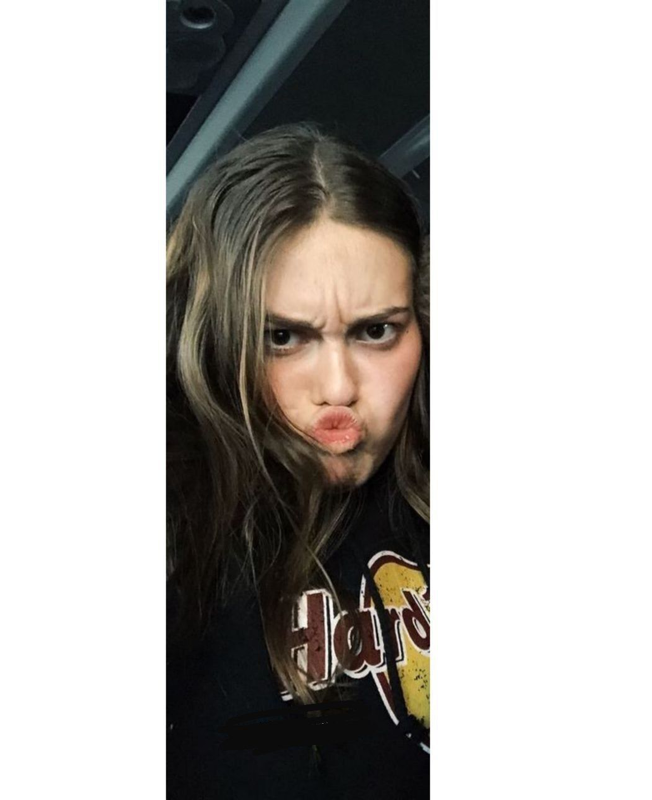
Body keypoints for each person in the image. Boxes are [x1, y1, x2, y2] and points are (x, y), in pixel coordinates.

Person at [166, 123, 429, 799]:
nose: (338, 387)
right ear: (216, 341)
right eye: (282, 337)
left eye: (377, 331)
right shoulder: (179, 535)